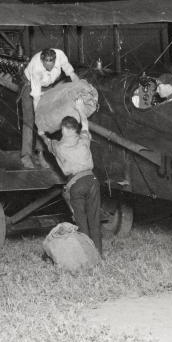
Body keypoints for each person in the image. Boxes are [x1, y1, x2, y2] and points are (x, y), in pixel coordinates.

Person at [39, 99, 102, 256]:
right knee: (94, 218)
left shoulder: (58, 146)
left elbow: (47, 142)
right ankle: (99, 254)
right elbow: (85, 125)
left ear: (65, 130)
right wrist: (80, 109)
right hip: (92, 181)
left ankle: (88, 255)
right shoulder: (84, 140)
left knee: (82, 221)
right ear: (75, 129)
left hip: (76, 185)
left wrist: (41, 134)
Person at [20, 47, 78, 168]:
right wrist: (38, 116)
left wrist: (77, 82)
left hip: (48, 86)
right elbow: (36, 97)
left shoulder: (60, 55)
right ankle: (26, 156)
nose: (50, 69)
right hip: (30, 85)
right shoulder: (36, 68)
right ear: (42, 61)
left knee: (46, 121)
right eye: (47, 67)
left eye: (52, 66)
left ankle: (41, 155)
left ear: (54, 60)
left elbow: (69, 71)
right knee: (30, 121)